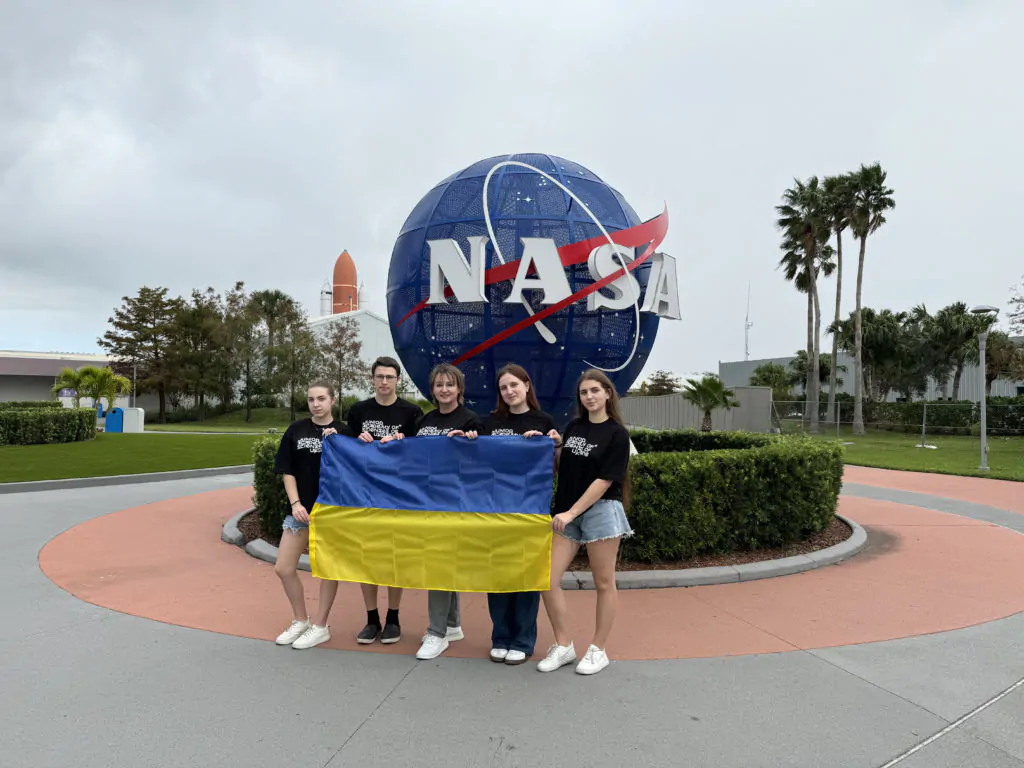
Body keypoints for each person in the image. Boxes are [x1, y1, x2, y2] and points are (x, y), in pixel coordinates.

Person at [382, 362, 481, 660]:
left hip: (454, 503)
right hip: (424, 501)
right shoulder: (424, 420)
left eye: (450, 384)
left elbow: (481, 461)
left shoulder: (471, 420)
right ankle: (452, 624)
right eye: (439, 385)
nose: (444, 389)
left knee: (439, 563)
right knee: (441, 562)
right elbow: (411, 453)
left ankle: (436, 633)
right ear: (433, 389)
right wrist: (398, 441)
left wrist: (472, 442)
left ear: (459, 388)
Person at [537, 369, 633, 675]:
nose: (589, 396)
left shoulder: (617, 434)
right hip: (568, 512)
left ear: (608, 393)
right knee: (546, 579)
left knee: (603, 583)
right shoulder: (575, 427)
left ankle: (598, 649)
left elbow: (604, 480)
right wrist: (556, 446)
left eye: (595, 391)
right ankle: (564, 645)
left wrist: (571, 513)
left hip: (601, 511)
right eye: (584, 392)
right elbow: (564, 469)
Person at [475, 363, 560, 665]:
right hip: (494, 509)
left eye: (514, 385)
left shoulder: (543, 421)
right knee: (497, 574)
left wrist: (551, 444)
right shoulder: (489, 422)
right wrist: (466, 437)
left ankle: (523, 640)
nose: (509, 391)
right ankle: (500, 637)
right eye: (503, 387)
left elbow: (553, 468)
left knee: (526, 573)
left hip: (529, 511)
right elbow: (474, 459)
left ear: (526, 385)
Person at [345, 356, 423, 645]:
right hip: (365, 495)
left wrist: (404, 442)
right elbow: (346, 449)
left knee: (394, 558)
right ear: (372, 379)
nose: (385, 381)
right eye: (380, 376)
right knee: (366, 557)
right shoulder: (358, 411)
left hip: (398, 496)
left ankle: (393, 617)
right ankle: (371, 618)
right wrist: (356, 441)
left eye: (390, 377)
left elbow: (421, 453)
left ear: (398, 380)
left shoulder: (412, 412)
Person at [272, 381, 353, 650]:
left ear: (333, 400)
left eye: (321, 399)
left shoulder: (344, 431)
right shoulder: (296, 430)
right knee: (283, 567)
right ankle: (300, 619)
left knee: (328, 569)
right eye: (311, 399)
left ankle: (320, 625)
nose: (316, 404)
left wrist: (339, 442)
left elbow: (356, 468)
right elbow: (288, 471)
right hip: (301, 510)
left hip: (332, 511)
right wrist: (295, 503)